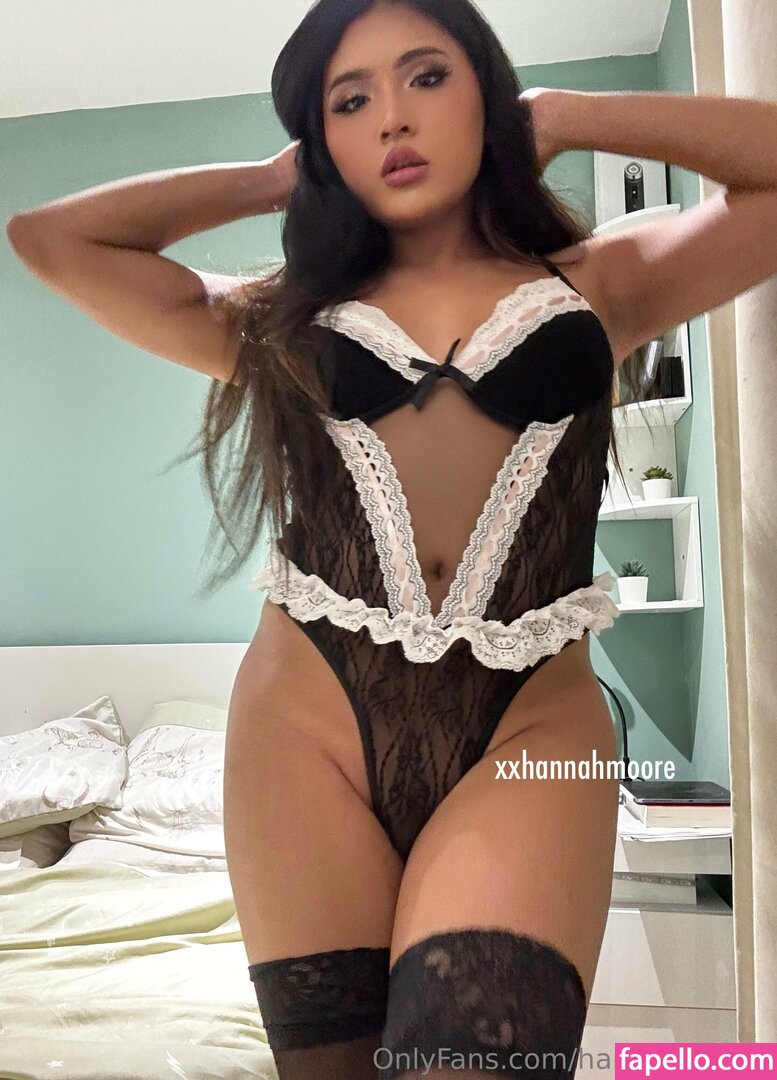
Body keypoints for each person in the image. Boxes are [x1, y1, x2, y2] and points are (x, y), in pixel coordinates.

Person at [14, 0, 777, 1076]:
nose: (391, 119)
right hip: (305, 734)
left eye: (426, 76)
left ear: (483, 94)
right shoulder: (275, 320)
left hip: (530, 729)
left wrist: (565, 115)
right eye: (350, 99)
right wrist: (273, 180)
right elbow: (49, 239)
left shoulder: (601, 281)